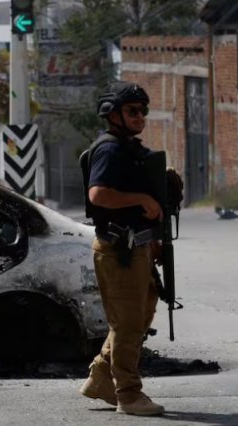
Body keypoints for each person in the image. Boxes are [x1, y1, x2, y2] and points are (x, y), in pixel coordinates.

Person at [79, 82, 165, 416]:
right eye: (133, 111)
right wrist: (142, 199)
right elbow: (98, 194)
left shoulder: (128, 148)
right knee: (127, 325)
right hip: (118, 249)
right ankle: (128, 394)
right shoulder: (110, 149)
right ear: (113, 114)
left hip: (134, 245)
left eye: (143, 111)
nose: (140, 116)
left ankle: (101, 378)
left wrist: (152, 238)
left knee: (139, 317)